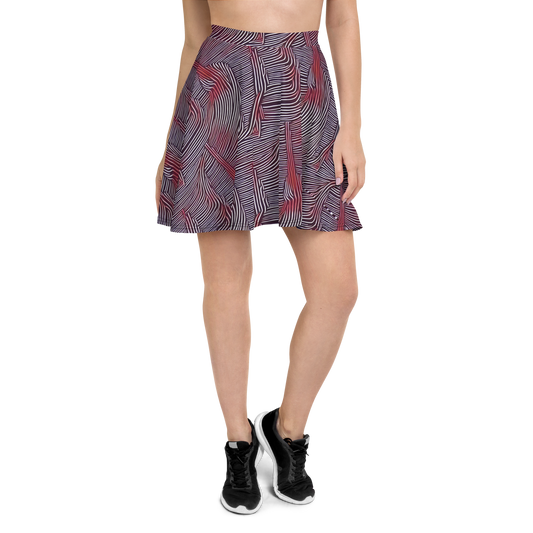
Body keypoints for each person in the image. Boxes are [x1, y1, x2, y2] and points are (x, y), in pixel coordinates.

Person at [153, 0, 368, 514]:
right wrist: (167, 149)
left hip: (305, 95)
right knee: (227, 281)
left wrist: (353, 127)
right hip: (219, 96)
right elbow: (193, 37)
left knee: (339, 290)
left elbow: (343, 19)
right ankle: (236, 442)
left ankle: (286, 428)